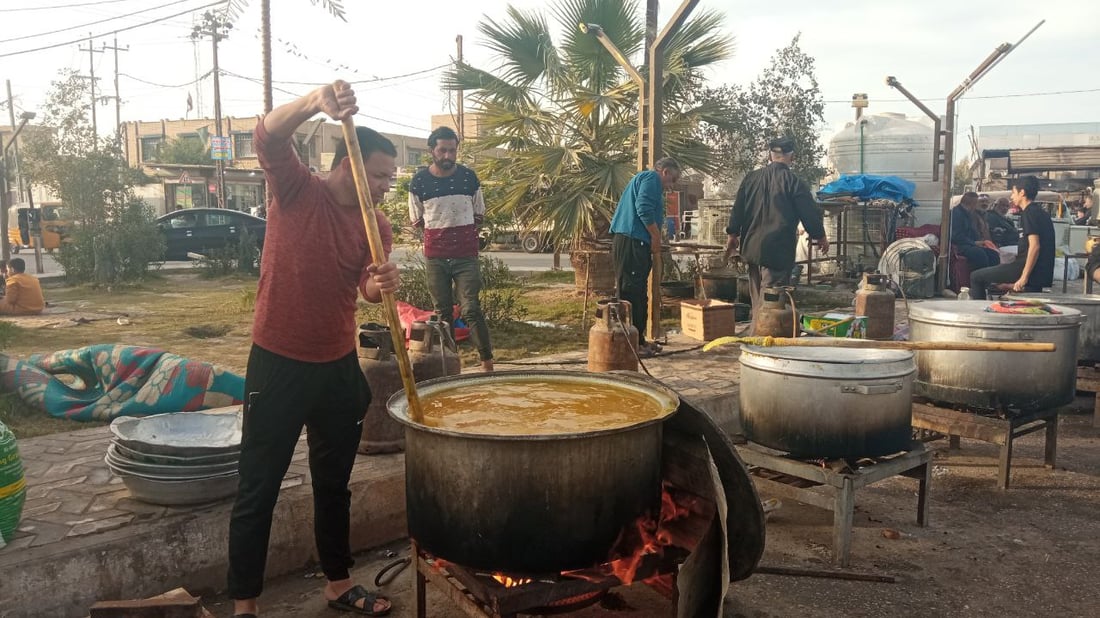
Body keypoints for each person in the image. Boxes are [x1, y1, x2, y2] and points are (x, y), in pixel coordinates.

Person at [227, 80, 399, 618]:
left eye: (392, 177)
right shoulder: (298, 190)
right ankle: (245, 606)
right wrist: (312, 103)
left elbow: (364, 288)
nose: (386, 186)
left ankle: (339, 583)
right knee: (259, 488)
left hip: (337, 367)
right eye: (379, 174)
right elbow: (267, 136)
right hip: (277, 362)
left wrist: (382, 283)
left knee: (334, 485)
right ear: (347, 163)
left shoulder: (379, 225)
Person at [408, 126, 493, 372]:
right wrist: (442, 237)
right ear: (431, 150)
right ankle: (451, 366)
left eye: (452, 151)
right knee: (442, 313)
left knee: (471, 309)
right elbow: (418, 220)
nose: (448, 156)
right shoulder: (419, 182)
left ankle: (487, 364)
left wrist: (462, 238)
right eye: (442, 150)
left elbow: (479, 213)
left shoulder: (469, 178)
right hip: (436, 257)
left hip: (466, 256)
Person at [724, 137, 828, 329]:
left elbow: (737, 209)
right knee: (772, 301)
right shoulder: (794, 182)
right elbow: (809, 213)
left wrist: (732, 234)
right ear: (792, 157)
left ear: (770, 155)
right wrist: (820, 236)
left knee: (758, 299)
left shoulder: (751, 178)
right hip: (777, 250)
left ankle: (756, 335)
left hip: (752, 248)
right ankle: (762, 340)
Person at [609, 157, 682, 356]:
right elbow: (643, 208)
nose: (671, 186)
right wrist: (656, 236)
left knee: (639, 291)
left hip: (636, 241)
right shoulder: (651, 178)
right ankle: (631, 343)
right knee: (631, 292)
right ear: (665, 171)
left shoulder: (648, 181)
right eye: (672, 180)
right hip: (632, 239)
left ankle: (639, 339)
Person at [969, 176, 1054, 299]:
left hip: (1026, 268)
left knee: (976, 277)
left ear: (1022, 192)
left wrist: (1024, 277)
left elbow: (1035, 246)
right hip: (1040, 271)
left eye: (1013, 192)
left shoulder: (1029, 213)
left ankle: (981, 315)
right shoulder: (1041, 213)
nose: (1012, 197)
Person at [950, 191, 1001, 273]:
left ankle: (993, 280)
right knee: (979, 254)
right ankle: (980, 280)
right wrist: (974, 243)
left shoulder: (968, 214)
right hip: (958, 245)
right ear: (972, 203)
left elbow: (973, 231)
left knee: (993, 254)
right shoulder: (956, 214)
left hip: (968, 243)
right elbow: (956, 236)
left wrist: (981, 242)